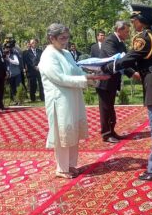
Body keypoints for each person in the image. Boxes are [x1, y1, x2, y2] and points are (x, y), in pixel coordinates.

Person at [103, 5, 152, 181]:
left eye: (134, 20)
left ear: (141, 20)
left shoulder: (143, 37)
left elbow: (130, 57)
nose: (133, 23)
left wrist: (109, 66)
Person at [38, 23, 106, 179]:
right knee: (62, 133)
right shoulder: (48, 55)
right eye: (62, 38)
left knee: (72, 131)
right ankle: (61, 168)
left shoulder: (67, 53)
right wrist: (83, 79)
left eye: (67, 38)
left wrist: (90, 76)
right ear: (51, 38)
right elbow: (59, 78)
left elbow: (76, 70)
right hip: (59, 100)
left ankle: (70, 164)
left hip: (73, 98)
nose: (65, 41)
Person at [97, 21, 137, 143]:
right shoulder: (110, 41)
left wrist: (136, 70)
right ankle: (106, 134)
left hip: (113, 81)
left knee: (110, 107)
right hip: (105, 81)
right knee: (105, 108)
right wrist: (133, 73)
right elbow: (118, 61)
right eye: (126, 31)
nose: (128, 34)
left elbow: (127, 59)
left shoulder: (120, 42)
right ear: (119, 30)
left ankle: (112, 131)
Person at [3, 39, 22, 104]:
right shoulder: (4, 57)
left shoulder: (13, 55)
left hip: (16, 74)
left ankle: (19, 100)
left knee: (17, 87)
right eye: (6, 49)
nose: (6, 50)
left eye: (8, 48)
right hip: (10, 75)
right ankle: (14, 100)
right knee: (12, 88)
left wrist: (9, 59)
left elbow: (17, 63)